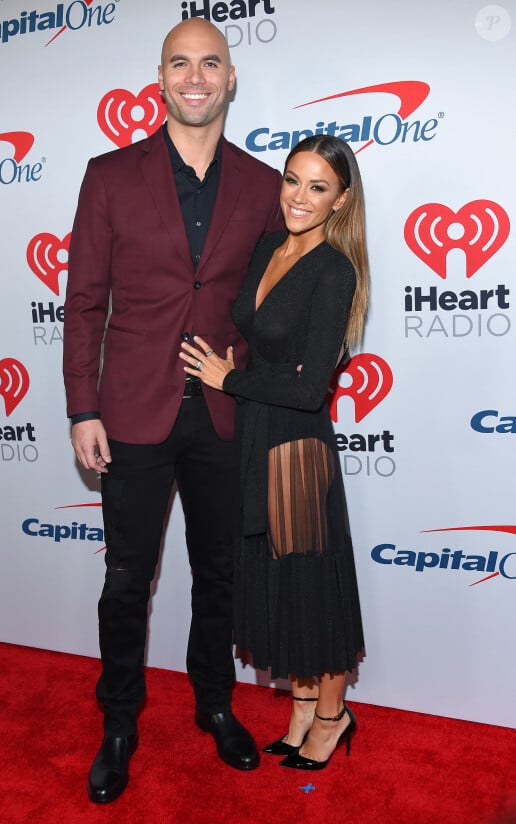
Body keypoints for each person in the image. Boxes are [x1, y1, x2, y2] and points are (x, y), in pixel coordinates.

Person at [62, 17, 283, 804]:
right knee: (128, 578)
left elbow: (269, 307)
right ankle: (119, 723)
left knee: (219, 572)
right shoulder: (110, 174)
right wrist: (81, 408)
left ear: (230, 79)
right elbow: (84, 302)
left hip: (224, 414)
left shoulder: (264, 186)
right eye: (180, 63)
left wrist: (258, 384)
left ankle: (214, 703)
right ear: (159, 79)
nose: (196, 77)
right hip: (129, 411)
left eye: (210, 63)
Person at [180, 134, 368, 771]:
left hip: (296, 448)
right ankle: (298, 710)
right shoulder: (268, 248)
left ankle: (332, 716)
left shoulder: (335, 270)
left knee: (311, 586)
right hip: (255, 436)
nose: (299, 197)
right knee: (275, 580)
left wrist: (225, 378)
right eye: (293, 180)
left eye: (318, 187)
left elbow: (309, 385)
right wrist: (241, 368)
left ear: (339, 201)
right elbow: (262, 343)